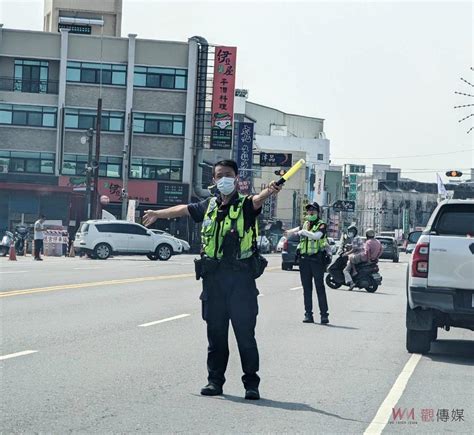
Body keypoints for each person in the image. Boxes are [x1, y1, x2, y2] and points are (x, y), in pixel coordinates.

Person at [142, 159, 282, 400]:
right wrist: (157, 213)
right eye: (219, 175)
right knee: (216, 336)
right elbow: (183, 209)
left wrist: (271, 189)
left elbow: (260, 198)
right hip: (214, 282)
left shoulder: (247, 204)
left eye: (228, 174)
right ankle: (214, 382)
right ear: (214, 180)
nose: (224, 178)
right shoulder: (209, 206)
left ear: (236, 178)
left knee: (245, 337)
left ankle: (251, 384)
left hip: (241, 282)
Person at [293, 202, 330, 324]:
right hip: (304, 260)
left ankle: (324, 315)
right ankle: (308, 314)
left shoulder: (322, 225)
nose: (310, 212)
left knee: (320, 288)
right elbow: (298, 230)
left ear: (318, 212)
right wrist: (288, 232)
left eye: (313, 210)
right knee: (306, 289)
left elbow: (317, 236)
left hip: (317, 260)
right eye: (309, 210)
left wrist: (303, 232)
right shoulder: (305, 224)